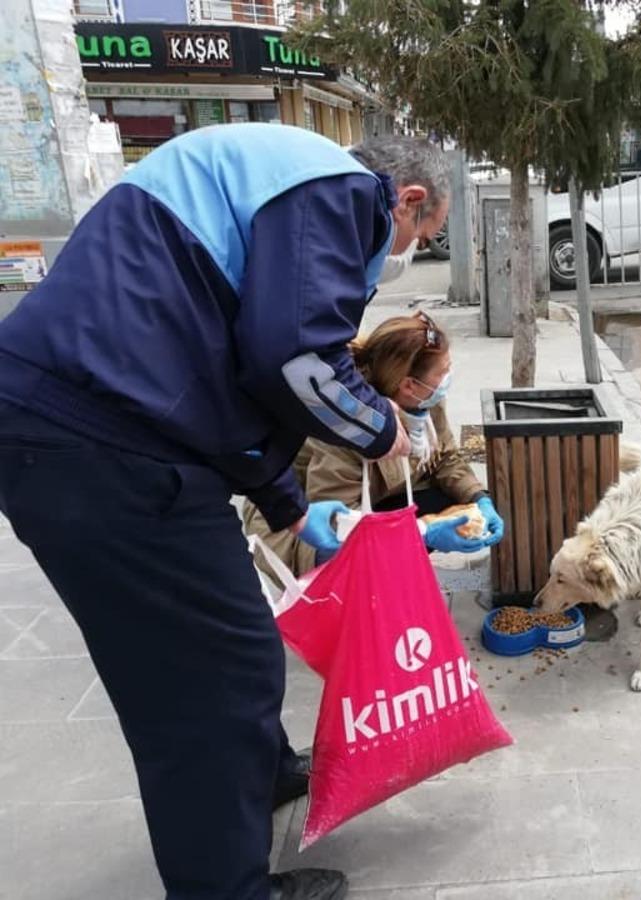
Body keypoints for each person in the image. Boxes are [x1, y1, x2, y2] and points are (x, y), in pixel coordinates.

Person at [0, 126, 450, 900]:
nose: (402, 250)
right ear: (405, 199)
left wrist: (290, 503)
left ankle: (265, 775)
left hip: (97, 428)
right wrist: (382, 430)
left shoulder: (273, 168)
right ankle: (226, 887)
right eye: (420, 234)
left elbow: (217, 361)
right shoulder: (337, 191)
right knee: (207, 682)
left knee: (230, 639)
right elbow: (294, 357)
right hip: (100, 443)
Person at [244, 312, 504, 578]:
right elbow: (338, 526)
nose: (448, 377)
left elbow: (446, 457)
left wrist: (478, 497)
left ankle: (395, 574)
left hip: (372, 500)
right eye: (444, 371)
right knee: (366, 549)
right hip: (302, 529)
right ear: (409, 386)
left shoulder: (426, 399)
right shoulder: (348, 421)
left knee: (448, 500)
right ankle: (367, 588)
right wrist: (424, 532)